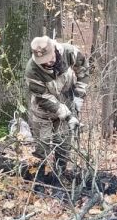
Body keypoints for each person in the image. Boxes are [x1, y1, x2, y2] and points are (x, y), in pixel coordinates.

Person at [25, 35, 89, 171]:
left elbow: (83, 70)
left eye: (50, 58)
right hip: (43, 112)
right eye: (43, 61)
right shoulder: (32, 70)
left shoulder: (70, 52)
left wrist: (78, 97)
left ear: (54, 49)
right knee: (42, 148)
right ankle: (38, 177)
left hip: (68, 103)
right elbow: (43, 98)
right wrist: (68, 115)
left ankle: (60, 175)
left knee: (64, 146)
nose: (48, 63)